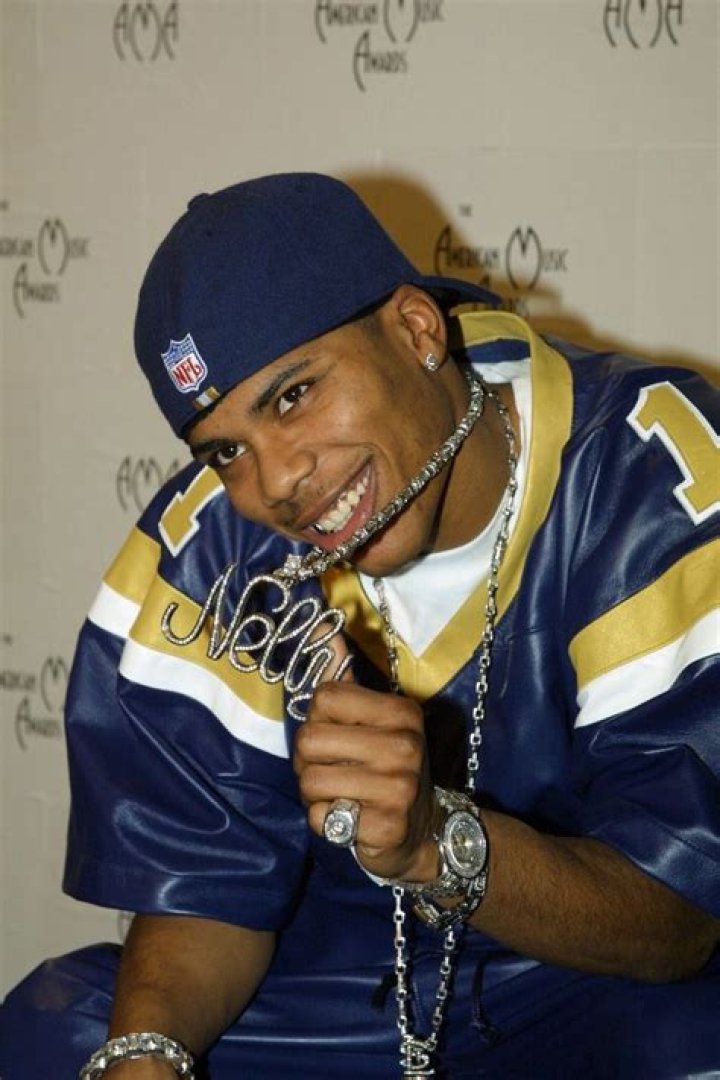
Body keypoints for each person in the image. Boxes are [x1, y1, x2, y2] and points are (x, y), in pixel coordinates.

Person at [1, 172, 719, 1080]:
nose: (275, 484)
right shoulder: (216, 542)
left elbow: (681, 918)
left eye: (292, 396)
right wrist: (150, 1056)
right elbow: (207, 891)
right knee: (59, 1029)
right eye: (225, 450)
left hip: (586, 982)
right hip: (339, 993)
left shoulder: (641, 470)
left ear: (416, 330)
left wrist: (435, 844)